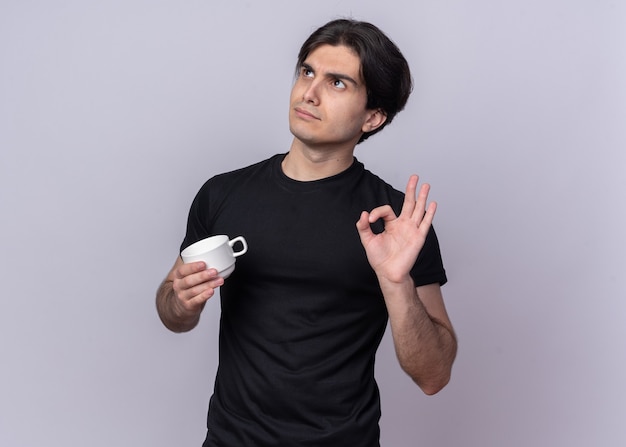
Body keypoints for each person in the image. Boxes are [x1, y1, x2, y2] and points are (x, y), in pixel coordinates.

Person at [156, 18, 457, 447]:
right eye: (307, 71)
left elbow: (434, 375)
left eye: (337, 83)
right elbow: (171, 310)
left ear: (372, 117)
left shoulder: (395, 224)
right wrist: (181, 301)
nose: (309, 93)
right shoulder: (222, 194)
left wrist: (397, 283)